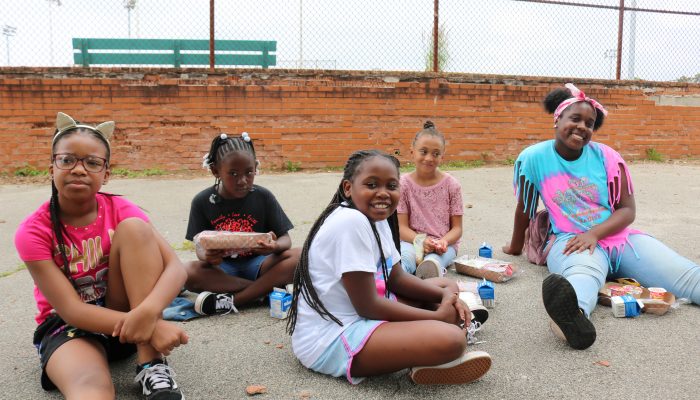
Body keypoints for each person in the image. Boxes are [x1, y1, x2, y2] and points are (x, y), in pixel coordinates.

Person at [502, 83, 700, 350]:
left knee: (683, 275)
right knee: (581, 276)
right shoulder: (533, 159)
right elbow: (525, 209)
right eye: (575, 118)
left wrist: (594, 233)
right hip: (570, 240)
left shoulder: (608, 157)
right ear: (557, 119)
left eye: (590, 123)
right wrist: (515, 247)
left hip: (619, 238)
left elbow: (627, 210)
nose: (582, 127)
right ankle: (573, 320)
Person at [15, 112, 188, 399]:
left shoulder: (121, 209)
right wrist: (153, 325)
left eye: (92, 163)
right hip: (70, 327)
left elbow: (176, 268)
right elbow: (72, 310)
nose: (79, 169)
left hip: (129, 317)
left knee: (134, 228)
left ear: (106, 174)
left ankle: (150, 362)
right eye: (67, 160)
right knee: (90, 388)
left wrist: (146, 315)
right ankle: (144, 338)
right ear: (51, 168)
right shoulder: (33, 231)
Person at [287, 149, 491, 385]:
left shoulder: (378, 218)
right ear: (347, 188)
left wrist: (445, 296)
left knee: (447, 285)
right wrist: (435, 316)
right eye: (371, 184)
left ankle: (420, 350)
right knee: (453, 340)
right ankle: (428, 348)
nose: (382, 193)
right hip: (332, 338)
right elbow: (368, 306)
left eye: (391, 186)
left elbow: (397, 279)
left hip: (363, 315)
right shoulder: (350, 222)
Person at [185, 132, 300, 315]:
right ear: (216, 171)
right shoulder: (202, 201)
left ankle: (234, 300)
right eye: (233, 173)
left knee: (301, 256)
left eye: (249, 172)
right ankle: (264, 292)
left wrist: (274, 246)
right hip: (223, 270)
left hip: (260, 265)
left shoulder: (263, 196)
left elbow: (286, 240)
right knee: (188, 271)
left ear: (256, 168)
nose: (242, 180)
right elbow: (198, 246)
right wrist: (207, 256)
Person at [398, 121, 464, 279]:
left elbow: (457, 229)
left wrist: (442, 242)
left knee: (432, 263)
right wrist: (420, 240)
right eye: (423, 151)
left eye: (435, 153)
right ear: (412, 152)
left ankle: (428, 289)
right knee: (405, 260)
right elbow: (401, 227)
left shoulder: (452, 185)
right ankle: (396, 287)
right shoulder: (402, 184)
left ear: (442, 156)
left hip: (444, 245)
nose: (429, 158)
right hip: (411, 241)